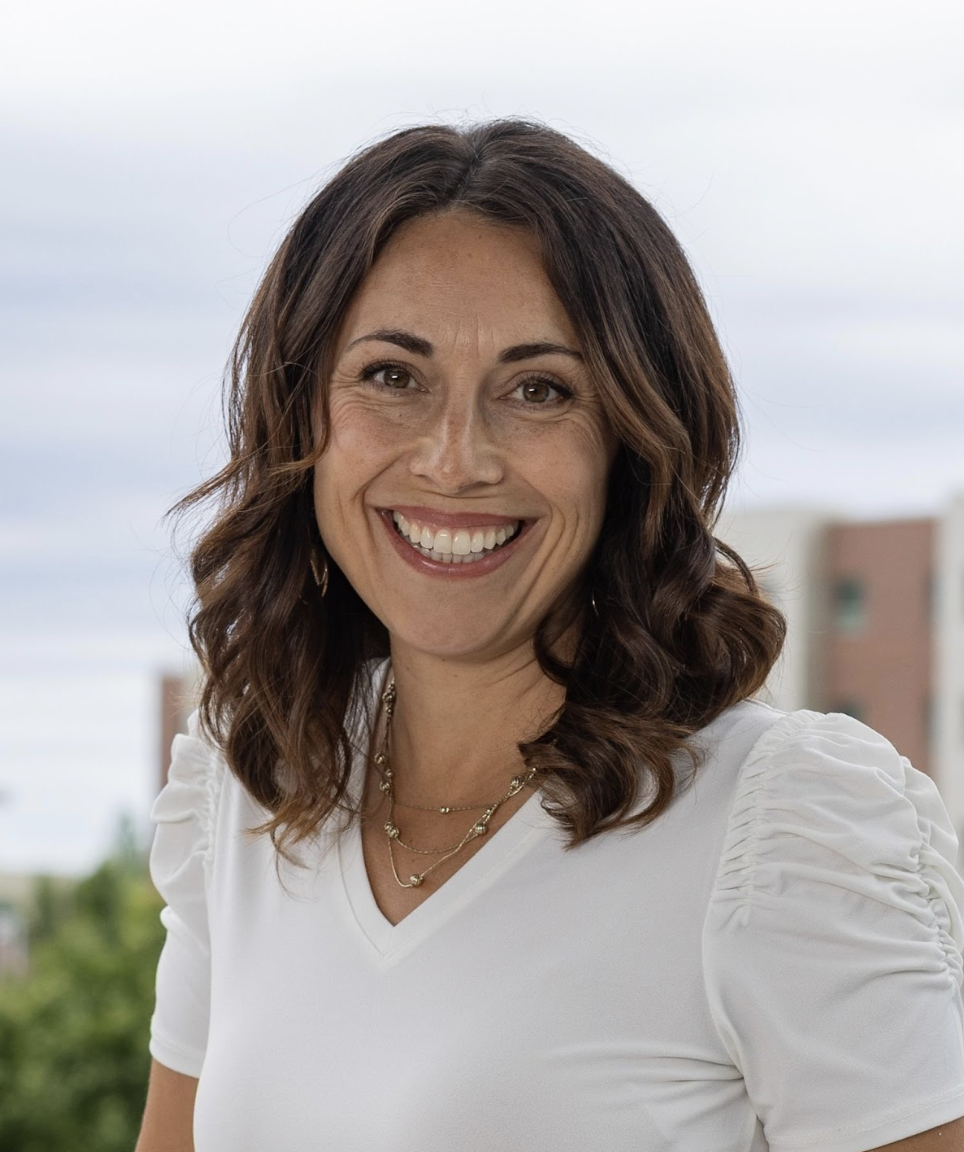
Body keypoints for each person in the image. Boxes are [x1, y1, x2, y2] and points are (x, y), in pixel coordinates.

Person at [136, 121, 964, 1152]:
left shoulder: (781, 826)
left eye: (540, 390)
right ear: (301, 415)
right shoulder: (249, 780)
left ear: (633, 439)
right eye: (393, 376)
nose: (454, 460)